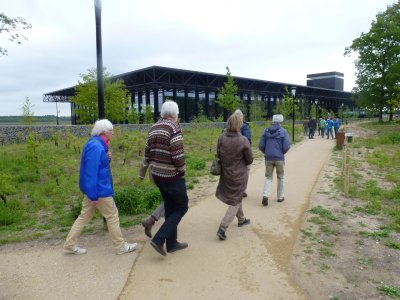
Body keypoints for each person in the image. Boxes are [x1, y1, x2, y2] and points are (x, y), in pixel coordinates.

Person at [63, 119, 138, 255]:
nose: (113, 133)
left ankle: (70, 244)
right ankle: (120, 246)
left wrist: (107, 158)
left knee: (84, 216)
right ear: (104, 132)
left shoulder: (96, 144)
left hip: (94, 189)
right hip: (99, 190)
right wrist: (93, 195)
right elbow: (91, 172)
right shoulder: (97, 147)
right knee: (112, 215)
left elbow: (99, 165)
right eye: (111, 131)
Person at [143, 100, 189, 256]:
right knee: (182, 207)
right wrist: (182, 170)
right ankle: (159, 239)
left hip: (157, 175)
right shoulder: (174, 127)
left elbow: (147, 153)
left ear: (163, 113)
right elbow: (178, 154)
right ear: (175, 114)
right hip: (171, 176)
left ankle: (172, 243)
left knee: (170, 207)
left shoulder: (154, 127)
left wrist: (143, 172)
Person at [215, 113, 253, 240]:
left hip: (226, 174)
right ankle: (223, 227)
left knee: (238, 196)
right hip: (239, 175)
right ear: (239, 124)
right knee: (236, 199)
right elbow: (249, 160)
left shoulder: (221, 138)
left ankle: (241, 219)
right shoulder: (243, 140)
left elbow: (218, 154)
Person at [258, 114, 291, 206]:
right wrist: (282, 153)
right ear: (281, 121)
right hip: (279, 158)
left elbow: (260, 145)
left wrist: (266, 152)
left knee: (268, 177)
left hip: (268, 158)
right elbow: (287, 146)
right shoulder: (284, 132)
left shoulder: (266, 131)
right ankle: (280, 197)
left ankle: (265, 195)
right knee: (280, 177)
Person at [139, 158, 164, 238]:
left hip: (155, 173)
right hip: (166, 173)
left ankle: (168, 224)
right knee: (171, 199)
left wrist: (142, 173)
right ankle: (151, 221)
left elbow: (146, 157)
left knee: (168, 199)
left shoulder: (151, 144)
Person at [235, 109, 252, 198]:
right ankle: (242, 190)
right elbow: (248, 140)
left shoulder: (227, 126)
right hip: (242, 153)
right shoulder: (245, 126)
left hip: (231, 154)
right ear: (242, 117)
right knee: (245, 171)